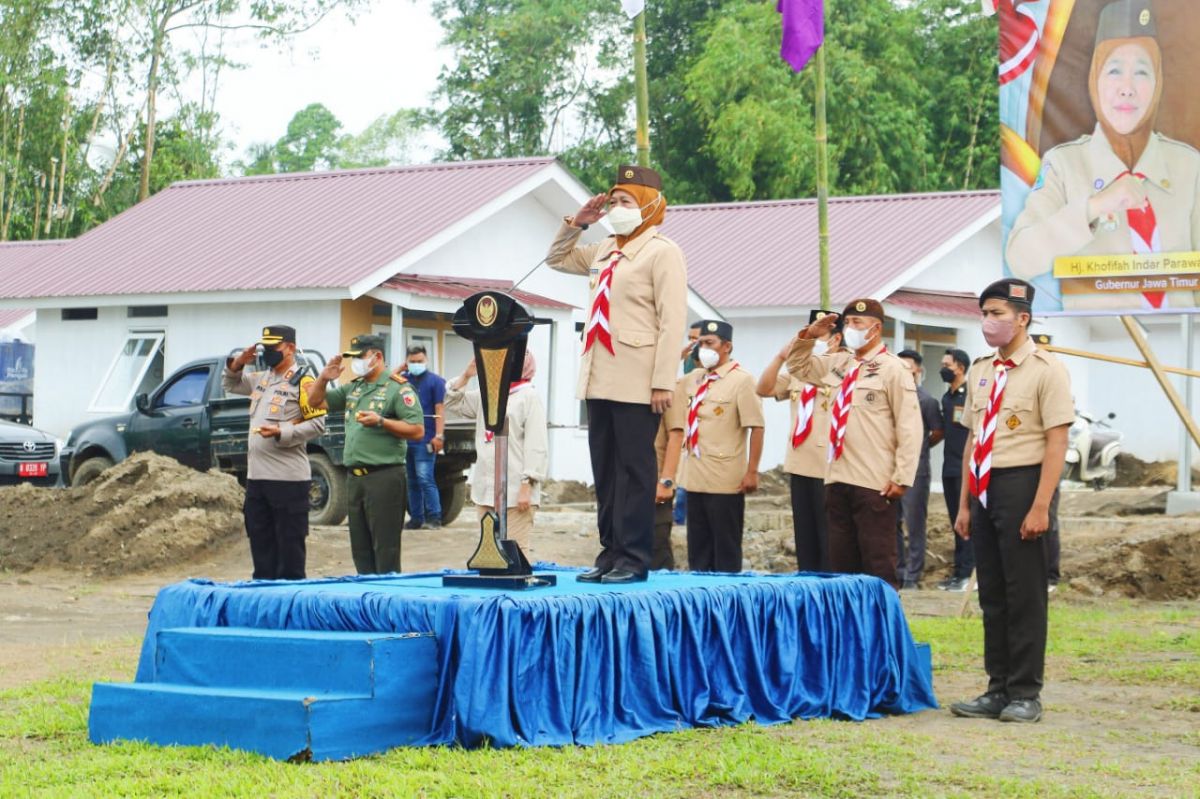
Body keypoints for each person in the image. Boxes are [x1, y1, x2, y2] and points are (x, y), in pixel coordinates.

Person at [1006, 0, 1200, 312]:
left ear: (1157, 82)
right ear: (1095, 80)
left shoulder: (1189, 166)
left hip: (1182, 345)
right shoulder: (1064, 165)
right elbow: (1020, 258)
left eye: (1141, 71)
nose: (1127, 88)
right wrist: (1094, 207)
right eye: (1114, 70)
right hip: (1099, 345)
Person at [547, 164, 688, 584]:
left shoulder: (662, 252)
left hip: (638, 378)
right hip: (598, 374)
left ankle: (634, 556)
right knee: (605, 469)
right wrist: (578, 223)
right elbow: (556, 259)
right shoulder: (605, 248)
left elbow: (671, 320)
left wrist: (664, 380)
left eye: (625, 202)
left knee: (635, 469)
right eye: (613, 202)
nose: (617, 209)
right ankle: (610, 552)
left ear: (647, 206)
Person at [950, 278, 1073, 725]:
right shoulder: (982, 369)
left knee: (1025, 594)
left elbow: (1057, 442)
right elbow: (971, 441)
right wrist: (964, 504)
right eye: (984, 313)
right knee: (994, 594)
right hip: (983, 487)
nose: (988, 322)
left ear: (1022, 318)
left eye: (998, 314)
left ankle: (1025, 692)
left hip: (1024, 483)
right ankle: (996, 687)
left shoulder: (1047, 369)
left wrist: (1041, 506)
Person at [785, 300, 922, 590]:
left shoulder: (893, 369)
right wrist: (809, 336)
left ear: (876, 328)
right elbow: (797, 366)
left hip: (874, 481)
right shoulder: (839, 363)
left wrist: (902, 476)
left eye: (858, 324)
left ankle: (882, 630)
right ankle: (848, 631)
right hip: (836, 478)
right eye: (847, 323)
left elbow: (909, 427)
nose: (851, 329)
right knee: (841, 566)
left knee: (877, 563)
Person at [307, 335, 424, 575]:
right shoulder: (355, 387)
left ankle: (386, 604)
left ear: (377, 356)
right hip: (355, 478)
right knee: (360, 549)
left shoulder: (397, 388)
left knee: (385, 550)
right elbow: (315, 401)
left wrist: (382, 422)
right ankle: (367, 600)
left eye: (360, 357)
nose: (355, 363)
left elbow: (417, 430)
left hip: (384, 476)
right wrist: (323, 377)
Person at [222, 325, 327, 580]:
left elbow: (317, 425)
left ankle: (289, 611)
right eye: (264, 348)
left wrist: (282, 432)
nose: (268, 353)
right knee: (261, 550)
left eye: (273, 348)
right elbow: (230, 384)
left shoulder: (304, 382)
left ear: (290, 348)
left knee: (289, 555)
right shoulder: (263, 378)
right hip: (257, 480)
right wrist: (237, 364)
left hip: (288, 482)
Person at [670, 320, 764, 572]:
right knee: (698, 550)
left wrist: (752, 470)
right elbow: (666, 385)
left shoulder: (742, 381)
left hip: (725, 479)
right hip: (694, 477)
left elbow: (756, 426)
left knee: (725, 550)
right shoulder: (694, 379)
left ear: (727, 346)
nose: (703, 349)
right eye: (700, 344)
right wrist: (676, 356)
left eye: (709, 343)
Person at [757, 309, 843, 571]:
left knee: (828, 536)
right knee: (805, 535)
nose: (813, 339)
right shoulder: (798, 373)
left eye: (820, 334)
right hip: (799, 462)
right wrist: (782, 356)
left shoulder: (842, 368)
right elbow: (764, 388)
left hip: (827, 465)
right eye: (810, 333)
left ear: (836, 339)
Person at [444, 351, 548, 554]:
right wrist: (466, 376)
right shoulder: (488, 394)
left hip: (516, 489)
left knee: (515, 550)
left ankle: (514, 585)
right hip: (486, 489)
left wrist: (527, 484)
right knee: (489, 551)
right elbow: (453, 404)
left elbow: (537, 445)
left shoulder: (528, 397)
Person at [895, 349, 945, 589]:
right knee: (891, 522)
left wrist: (919, 447)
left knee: (914, 523)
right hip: (890, 469)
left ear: (918, 370)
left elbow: (937, 433)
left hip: (917, 471)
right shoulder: (891, 396)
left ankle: (913, 575)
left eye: (909, 367)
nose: (905, 371)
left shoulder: (927, 401)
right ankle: (897, 570)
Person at [938, 348, 975, 591]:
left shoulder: (970, 394)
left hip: (966, 468)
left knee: (967, 522)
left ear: (960, 367)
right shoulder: (947, 397)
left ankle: (968, 574)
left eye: (947, 364)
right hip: (948, 467)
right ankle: (957, 572)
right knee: (955, 522)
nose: (943, 369)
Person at [401, 345, 446, 530]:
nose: (416, 364)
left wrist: (439, 436)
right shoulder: (402, 380)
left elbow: (439, 410)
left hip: (426, 439)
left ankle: (434, 517)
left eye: (419, 361)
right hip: (405, 438)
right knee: (411, 481)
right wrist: (400, 368)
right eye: (412, 361)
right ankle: (416, 519)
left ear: (426, 360)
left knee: (425, 478)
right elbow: (386, 381)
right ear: (407, 362)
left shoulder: (436, 382)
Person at [652, 376, 688, 570]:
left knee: (657, 547)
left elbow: (676, 435)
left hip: (656, 482)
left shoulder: (669, 386)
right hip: (630, 481)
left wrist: (666, 481)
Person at [674, 321, 703, 526]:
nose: (693, 343)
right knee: (682, 479)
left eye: (697, 339)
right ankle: (679, 521)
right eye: (691, 339)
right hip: (686, 430)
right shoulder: (687, 362)